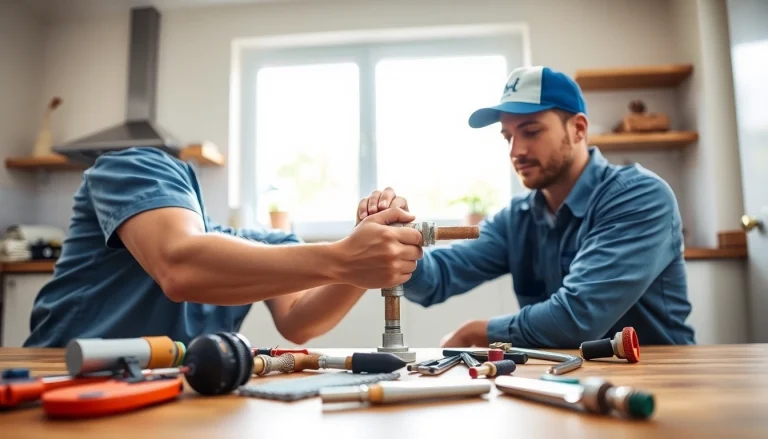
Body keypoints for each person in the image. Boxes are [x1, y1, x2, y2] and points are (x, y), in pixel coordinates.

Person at [392, 65, 696, 348]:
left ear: (578, 129)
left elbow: (576, 318)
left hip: (659, 377)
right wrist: (395, 248)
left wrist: (480, 331)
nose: (516, 151)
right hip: (565, 379)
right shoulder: (517, 217)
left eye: (531, 131)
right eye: (508, 136)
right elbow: (438, 278)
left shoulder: (638, 197)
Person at [23, 146, 424, 348]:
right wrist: (344, 257)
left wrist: (359, 262)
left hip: (165, 390)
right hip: (59, 373)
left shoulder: (269, 244)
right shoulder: (139, 165)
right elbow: (180, 266)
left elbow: (299, 322)